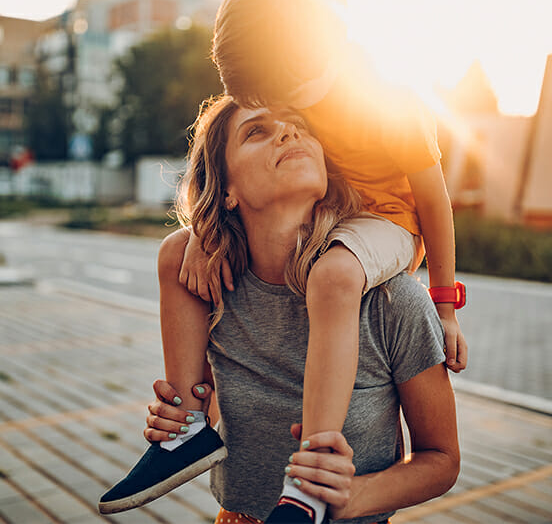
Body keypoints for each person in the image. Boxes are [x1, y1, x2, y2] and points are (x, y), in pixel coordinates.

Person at [176, 0, 467, 521]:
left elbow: (434, 200)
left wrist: (445, 306)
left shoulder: (388, 96)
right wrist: (204, 231)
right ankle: (181, 440)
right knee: (181, 252)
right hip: (342, 219)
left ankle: (314, 467)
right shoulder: (286, 81)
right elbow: (231, 161)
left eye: (292, 94)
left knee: (333, 275)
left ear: (331, 41)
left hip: (392, 225)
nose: (289, 115)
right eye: (268, 104)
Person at [100, 97, 460, 524]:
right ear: (227, 189)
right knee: (172, 251)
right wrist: (184, 412)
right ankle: (183, 435)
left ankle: (307, 491)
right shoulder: (210, 283)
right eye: (256, 131)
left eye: (299, 125)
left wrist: (355, 495)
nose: (288, 133)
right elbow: (227, 408)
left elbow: (442, 460)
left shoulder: (391, 303)